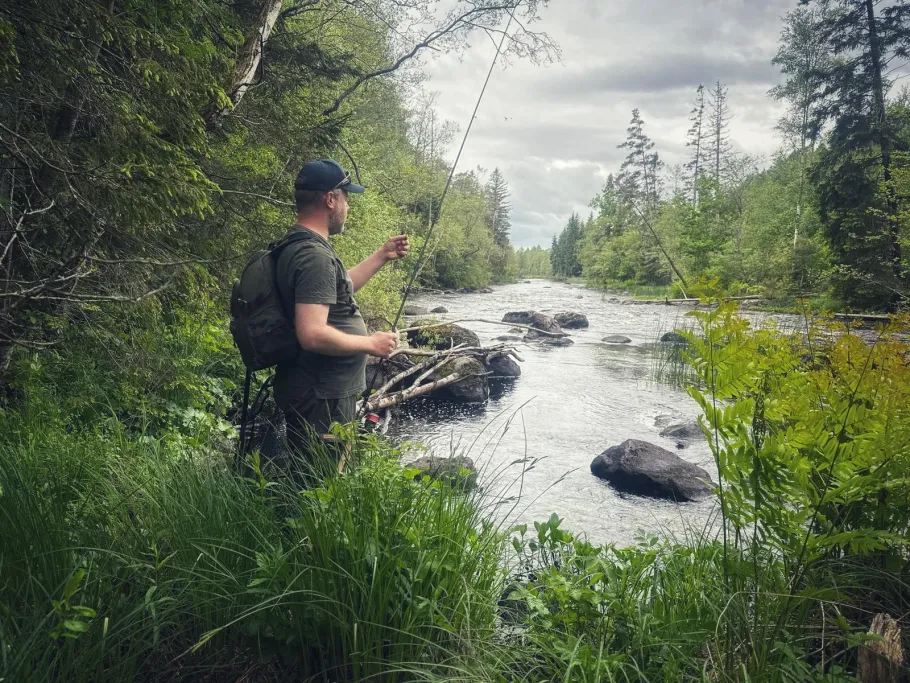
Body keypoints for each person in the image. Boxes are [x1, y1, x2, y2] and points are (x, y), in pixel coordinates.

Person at [273, 158, 408, 470]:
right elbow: (312, 333)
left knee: (311, 478)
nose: (348, 206)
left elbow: (337, 289)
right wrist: (370, 345)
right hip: (322, 396)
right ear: (330, 199)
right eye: (346, 198)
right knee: (317, 484)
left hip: (314, 389)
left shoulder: (298, 245)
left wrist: (382, 255)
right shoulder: (314, 257)